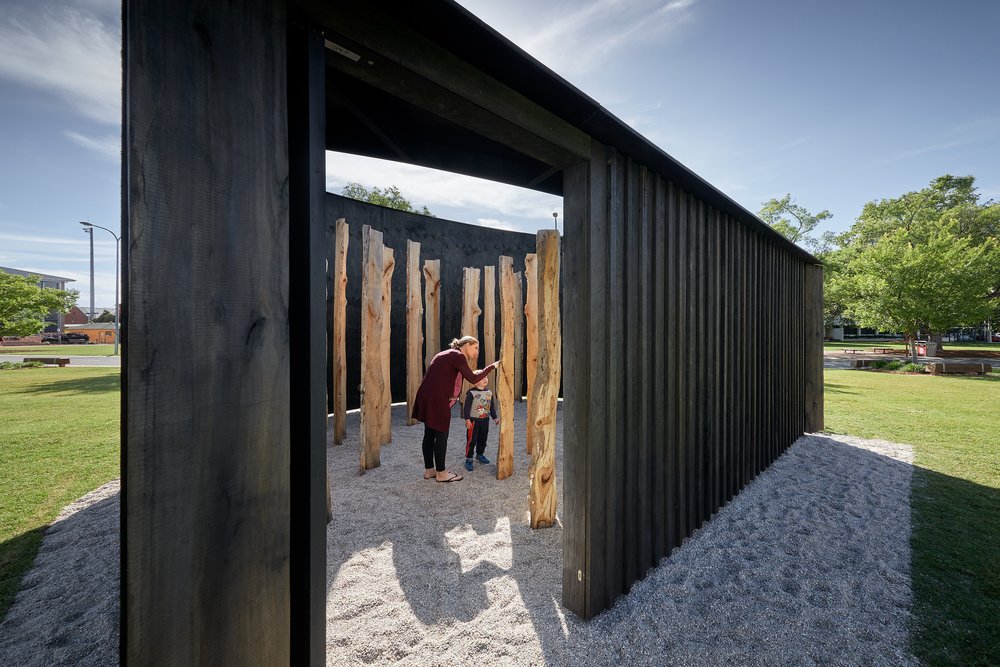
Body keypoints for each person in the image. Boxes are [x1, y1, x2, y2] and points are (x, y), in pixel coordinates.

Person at [412, 335, 500, 482]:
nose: (477, 352)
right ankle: (441, 473)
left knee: (429, 433)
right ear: (466, 345)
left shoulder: (447, 354)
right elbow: (473, 378)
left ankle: (429, 470)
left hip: (426, 395)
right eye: (476, 348)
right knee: (441, 434)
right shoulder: (458, 356)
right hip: (437, 398)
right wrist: (493, 366)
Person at [463, 376, 498, 472]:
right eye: (481, 378)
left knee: (483, 439)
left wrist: (494, 417)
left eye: (486, 377)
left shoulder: (489, 393)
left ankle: (480, 454)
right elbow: (466, 408)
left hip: (485, 420)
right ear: (475, 382)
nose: (485, 379)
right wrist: (467, 419)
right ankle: (469, 458)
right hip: (474, 421)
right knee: (472, 440)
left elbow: (491, 407)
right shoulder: (471, 393)